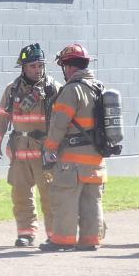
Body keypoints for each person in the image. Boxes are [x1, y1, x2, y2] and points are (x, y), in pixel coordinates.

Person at [0, 43, 60, 247]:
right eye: (33, 66)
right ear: (23, 67)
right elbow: (2, 117)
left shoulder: (53, 88)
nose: (37, 70)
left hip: (44, 151)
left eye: (40, 65)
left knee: (50, 196)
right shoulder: (12, 90)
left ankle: (55, 235)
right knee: (20, 195)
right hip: (20, 149)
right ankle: (26, 234)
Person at [39, 44, 106, 252]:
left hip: (73, 160)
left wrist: (49, 148)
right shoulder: (99, 88)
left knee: (65, 198)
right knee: (91, 201)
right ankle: (90, 239)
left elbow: (59, 124)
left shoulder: (71, 90)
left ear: (68, 67)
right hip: (96, 159)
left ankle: (62, 240)